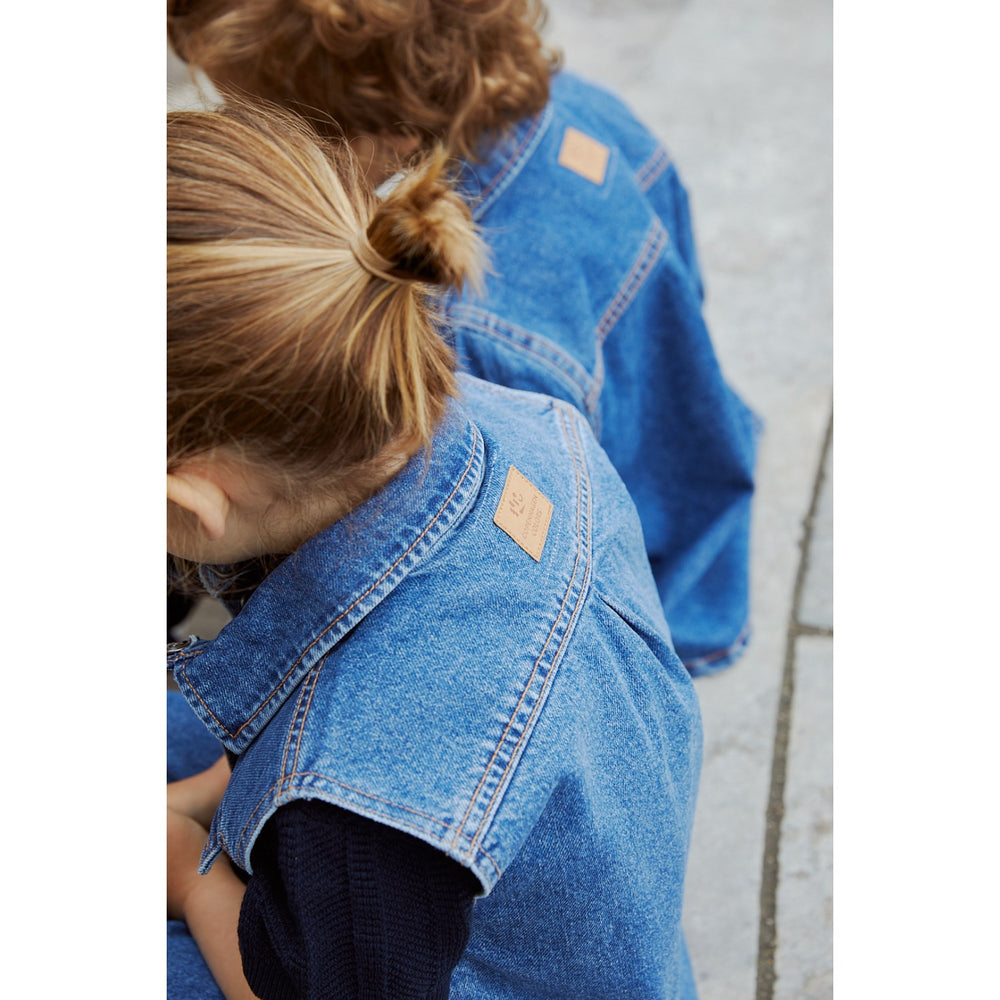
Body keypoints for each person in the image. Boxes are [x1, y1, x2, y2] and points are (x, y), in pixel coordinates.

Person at [166, 98, 702, 999]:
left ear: (188, 500)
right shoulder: (530, 427)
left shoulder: (357, 814)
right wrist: (200, 798)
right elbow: (266, 655)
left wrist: (189, 872)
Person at [166, 0, 759, 676]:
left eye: (251, 116)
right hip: (694, 493)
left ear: (385, 134)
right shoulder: (586, 112)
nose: (234, 128)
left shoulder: (460, 337)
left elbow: (440, 585)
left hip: (621, 602)